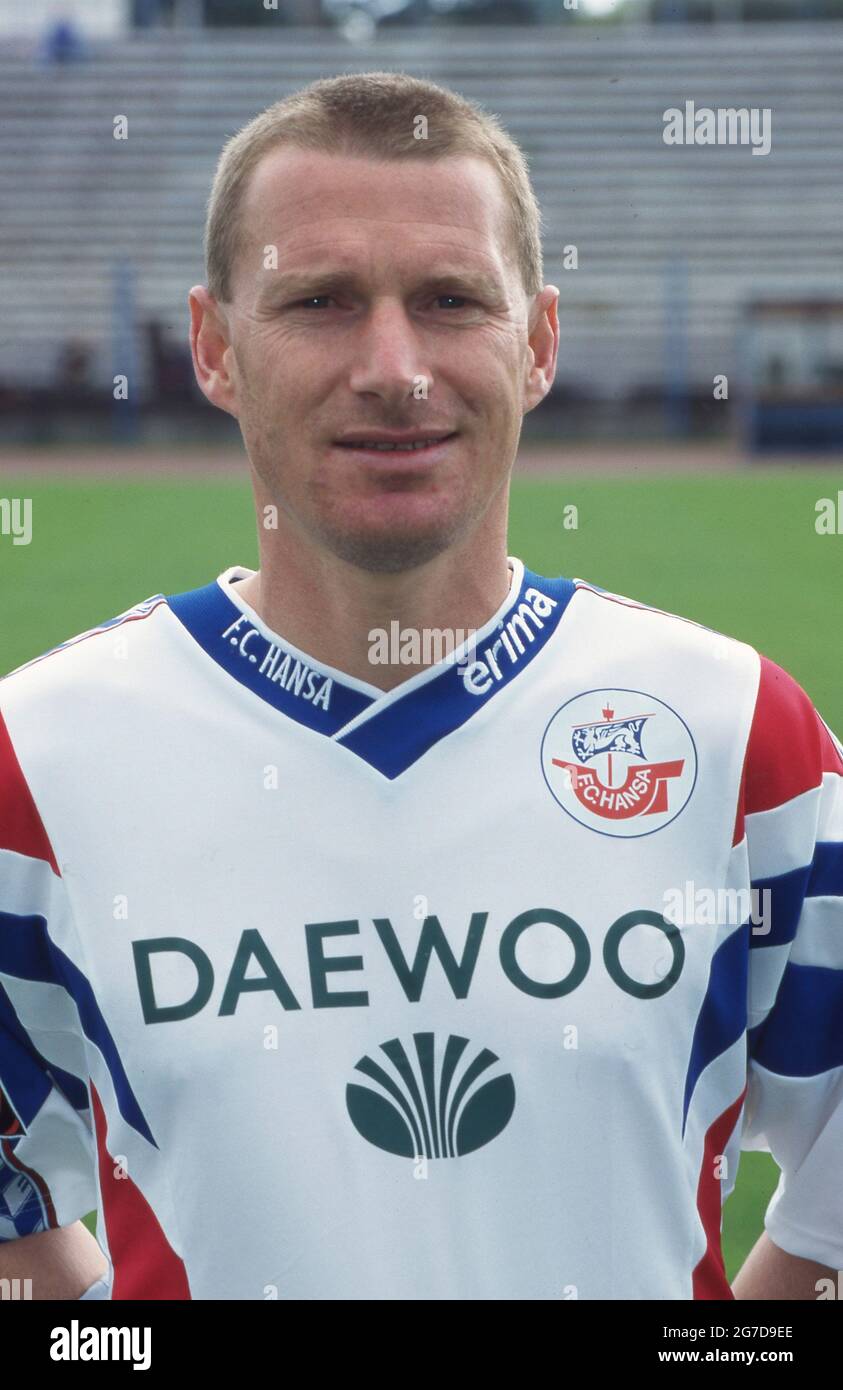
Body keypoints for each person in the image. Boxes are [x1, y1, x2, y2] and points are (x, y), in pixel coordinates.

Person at [0, 71, 841, 1301]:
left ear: (538, 342)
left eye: (451, 301)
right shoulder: (42, 756)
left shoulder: (736, 733)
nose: (393, 367)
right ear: (215, 347)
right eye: (321, 301)